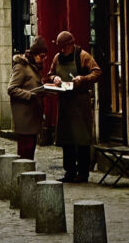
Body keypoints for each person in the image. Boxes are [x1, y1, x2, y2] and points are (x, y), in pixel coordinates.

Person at [46, 30, 101, 183]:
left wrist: (82, 79)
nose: (62, 50)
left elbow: (97, 72)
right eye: (60, 47)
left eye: (64, 47)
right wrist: (55, 78)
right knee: (66, 139)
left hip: (80, 102)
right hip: (64, 102)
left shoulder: (83, 56)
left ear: (71, 44)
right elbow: (49, 74)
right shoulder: (57, 58)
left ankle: (83, 172)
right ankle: (69, 171)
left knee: (81, 139)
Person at [7, 37, 48, 159]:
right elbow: (11, 89)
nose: (43, 59)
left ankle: (28, 175)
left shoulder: (33, 67)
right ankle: (23, 175)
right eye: (41, 56)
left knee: (30, 150)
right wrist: (30, 95)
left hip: (32, 116)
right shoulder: (21, 67)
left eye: (44, 56)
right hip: (24, 118)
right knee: (25, 151)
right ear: (34, 54)